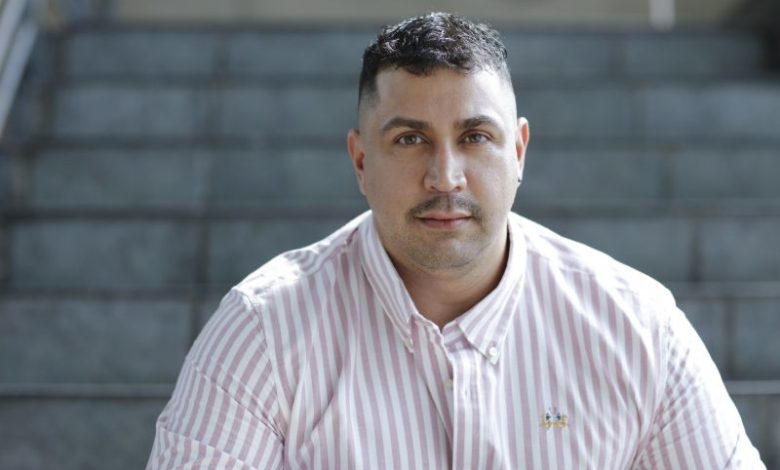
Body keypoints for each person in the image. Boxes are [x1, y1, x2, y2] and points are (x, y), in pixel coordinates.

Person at [147, 12, 765, 469]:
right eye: (410, 139)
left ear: (518, 151)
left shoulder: (639, 329)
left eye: (475, 137)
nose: (445, 177)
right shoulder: (262, 331)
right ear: (360, 161)